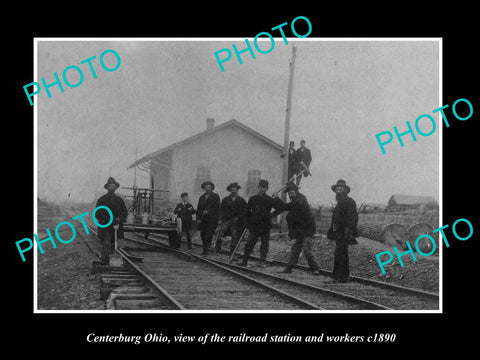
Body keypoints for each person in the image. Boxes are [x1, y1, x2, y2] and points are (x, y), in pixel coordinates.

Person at [274, 182, 320, 275]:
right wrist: (276, 199)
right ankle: (289, 268)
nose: (290, 193)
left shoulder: (300, 199)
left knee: (306, 250)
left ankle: (315, 269)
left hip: (307, 229)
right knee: (295, 249)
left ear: (296, 190)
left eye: (291, 191)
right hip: (300, 230)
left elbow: (286, 207)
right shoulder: (295, 200)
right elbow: (286, 207)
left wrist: (276, 198)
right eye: (289, 192)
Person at [237, 179, 283, 268]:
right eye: (261, 187)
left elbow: (280, 208)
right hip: (254, 226)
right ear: (258, 187)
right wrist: (248, 223)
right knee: (249, 244)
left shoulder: (270, 199)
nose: (262, 189)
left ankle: (262, 262)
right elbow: (247, 212)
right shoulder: (253, 199)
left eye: (264, 188)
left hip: (265, 226)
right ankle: (244, 261)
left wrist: (272, 214)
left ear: (267, 188)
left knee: (264, 244)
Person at [327, 179, 359, 283]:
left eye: (340, 189)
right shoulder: (339, 203)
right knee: (342, 253)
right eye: (337, 190)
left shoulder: (349, 201)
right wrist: (332, 231)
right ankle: (344, 276)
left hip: (345, 233)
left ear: (345, 190)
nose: (338, 191)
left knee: (340, 253)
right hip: (339, 232)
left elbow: (353, 218)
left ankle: (337, 277)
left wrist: (348, 231)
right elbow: (335, 219)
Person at [94, 177, 128, 265]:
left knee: (114, 243)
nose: (112, 188)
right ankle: (104, 261)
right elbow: (97, 213)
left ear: (115, 188)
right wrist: (107, 219)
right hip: (105, 226)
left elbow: (124, 212)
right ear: (107, 187)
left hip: (116, 226)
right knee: (106, 243)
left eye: (113, 186)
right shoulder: (101, 200)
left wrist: (119, 218)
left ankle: (112, 261)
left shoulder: (119, 200)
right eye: (110, 186)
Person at [215, 182, 247, 256]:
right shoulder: (225, 199)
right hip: (226, 221)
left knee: (235, 236)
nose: (233, 190)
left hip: (236, 222)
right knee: (218, 232)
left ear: (237, 190)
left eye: (235, 188)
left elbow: (245, 211)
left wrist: (239, 218)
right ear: (230, 190)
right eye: (232, 188)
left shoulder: (241, 200)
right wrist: (220, 219)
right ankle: (217, 250)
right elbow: (220, 210)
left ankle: (232, 254)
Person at [196, 181, 220, 255]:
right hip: (203, 220)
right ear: (204, 188)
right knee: (203, 234)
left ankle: (206, 249)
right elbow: (199, 208)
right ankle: (205, 248)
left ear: (212, 188)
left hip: (211, 219)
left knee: (208, 234)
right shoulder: (201, 197)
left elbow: (217, 208)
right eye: (206, 187)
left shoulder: (215, 196)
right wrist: (198, 218)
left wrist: (208, 211)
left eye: (209, 187)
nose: (207, 189)